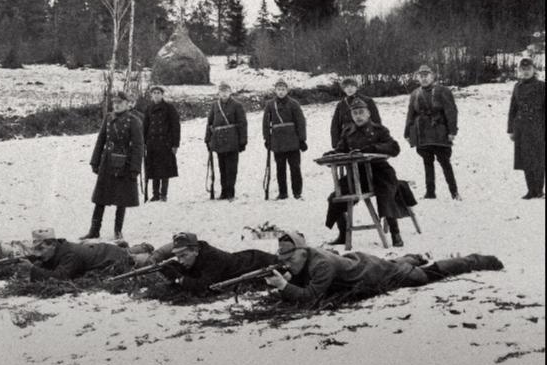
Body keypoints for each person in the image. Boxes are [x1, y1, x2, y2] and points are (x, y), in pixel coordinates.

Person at [263, 231, 503, 308]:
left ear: (303, 252)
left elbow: (310, 298)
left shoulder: (321, 264)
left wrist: (285, 286)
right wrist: (289, 277)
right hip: (362, 263)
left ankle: (478, 260)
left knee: (426, 277)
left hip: (375, 275)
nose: (286, 262)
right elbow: (305, 278)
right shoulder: (309, 257)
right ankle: (414, 257)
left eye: (289, 257)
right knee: (396, 264)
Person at [325, 98, 416, 247]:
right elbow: (341, 150)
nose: (358, 116)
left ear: (368, 114)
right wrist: (331, 155)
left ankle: (395, 233)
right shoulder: (348, 132)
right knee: (335, 197)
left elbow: (394, 148)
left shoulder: (379, 130)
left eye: (361, 112)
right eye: (355, 113)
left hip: (380, 172)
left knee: (386, 194)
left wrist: (374, 148)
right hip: (358, 175)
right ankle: (343, 234)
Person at [82, 91, 144, 240]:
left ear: (127, 104)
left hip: (124, 163)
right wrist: (95, 161)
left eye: (119, 103)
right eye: (114, 103)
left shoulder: (134, 121)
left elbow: (138, 146)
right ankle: (94, 230)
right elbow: (100, 140)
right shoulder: (108, 118)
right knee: (100, 198)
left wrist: (135, 168)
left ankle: (117, 231)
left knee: (121, 199)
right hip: (107, 162)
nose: (116, 105)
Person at [404, 65, 461, 200]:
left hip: (440, 132)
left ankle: (454, 192)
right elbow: (410, 114)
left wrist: (452, 131)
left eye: (426, 75)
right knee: (427, 162)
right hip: (422, 133)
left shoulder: (443, 91)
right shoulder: (415, 94)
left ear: (432, 76)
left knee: (445, 162)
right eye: (421, 76)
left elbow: (451, 111)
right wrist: (407, 132)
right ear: (418, 78)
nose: (424, 79)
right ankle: (430, 193)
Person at [157, 232, 277, 294]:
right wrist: (174, 268)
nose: (181, 261)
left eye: (183, 256)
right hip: (245, 257)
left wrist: (179, 278)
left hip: (257, 262)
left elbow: (205, 288)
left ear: (195, 251)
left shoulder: (211, 257)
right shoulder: (198, 252)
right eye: (178, 257)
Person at [16, 228, 132, 281]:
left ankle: (143, 248)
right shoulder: (59, 249)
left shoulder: (69, 255)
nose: (38, 253)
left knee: (137, 258)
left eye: (41, 249)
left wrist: (32, 269)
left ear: (52, 245)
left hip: (113, 256)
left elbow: (60, 277)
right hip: (102, 249)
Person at [507, 58, 545, 199]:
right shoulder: (517, 86)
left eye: (528, 69)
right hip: (521, 128)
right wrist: (510, 129)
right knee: (525, 159)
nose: (525, 72)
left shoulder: (542, 86)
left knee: (539, 160)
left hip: (538, 127)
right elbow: (513, 109)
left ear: (534, 70)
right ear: (519, 71)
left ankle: (539, 190)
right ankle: (531, 190)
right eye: (523, 70)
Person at [262, 79, 307, 199]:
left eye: (283, 89)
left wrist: (302, 139)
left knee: (295, 168)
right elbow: (266, 124)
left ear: (287, 90)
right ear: (275, 91)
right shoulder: (270, 105)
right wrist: (267, 139)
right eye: (278, 89)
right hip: (278, 142)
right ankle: (283, 193)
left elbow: (301, 122)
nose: (281, 92)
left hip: (293, 141)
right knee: (280, 169)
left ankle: (297, 192)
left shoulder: (294, 104)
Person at [205, 82, 248, 200]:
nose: (224, 94)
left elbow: (242, 124)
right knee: (222, 167)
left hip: (232, 139)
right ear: (218, 93)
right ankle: (224, 191)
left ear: (230, 92)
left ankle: (230, 192)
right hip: (219, 140)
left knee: (231, 167)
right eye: (221, 91)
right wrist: (207, 139)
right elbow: (209, 123)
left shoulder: (237, 105)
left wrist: (242, 141)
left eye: (226, 91)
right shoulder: (215, 105)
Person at [143, 85, 181, 202]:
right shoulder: (148, 109)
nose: (156, 94)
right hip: (152, 144)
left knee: (164, 169)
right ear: (151, 95)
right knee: (153, 169)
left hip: (165, 144)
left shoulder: (169, 108)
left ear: (162, 94)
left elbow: (176, 127)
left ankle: (163, 194)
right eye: (154, 93)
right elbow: (145, 127)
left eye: (158, 92)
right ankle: (155, 194)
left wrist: (175, 144)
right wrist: (144, 143)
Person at [330, 78, 382, 149]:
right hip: (347, 139)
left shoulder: (368, 101)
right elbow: (335, 125)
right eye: (347, 87)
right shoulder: (341, 105)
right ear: (343, 89)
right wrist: (335, 143)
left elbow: (376, 120)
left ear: (356, 87)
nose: (349, 89)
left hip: (366, 137)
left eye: (352, 86)